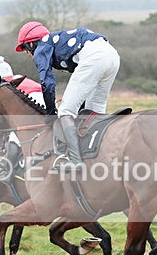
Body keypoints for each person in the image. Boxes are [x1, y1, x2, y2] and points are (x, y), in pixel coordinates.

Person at [15, 21, 120, 175]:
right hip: (112, 56)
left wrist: (51, 113)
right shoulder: (57, 41)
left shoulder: (41, 47)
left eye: (25, 49)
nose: (28, 54)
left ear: (31, 44)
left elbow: (47, 83)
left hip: (94, 57)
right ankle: (98, 154)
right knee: (94, 111)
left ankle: (75, 161)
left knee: (65, 111)